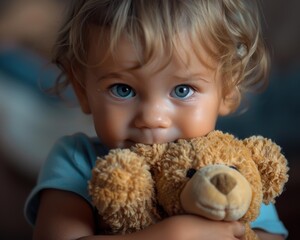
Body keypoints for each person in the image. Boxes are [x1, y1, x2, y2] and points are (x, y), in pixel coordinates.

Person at [25, 1, 288, 239]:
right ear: (82, 90)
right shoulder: (76, 160)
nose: (152, 118)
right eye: (122, 89)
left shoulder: (231, 169)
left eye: (182, 90)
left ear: (228, 90)